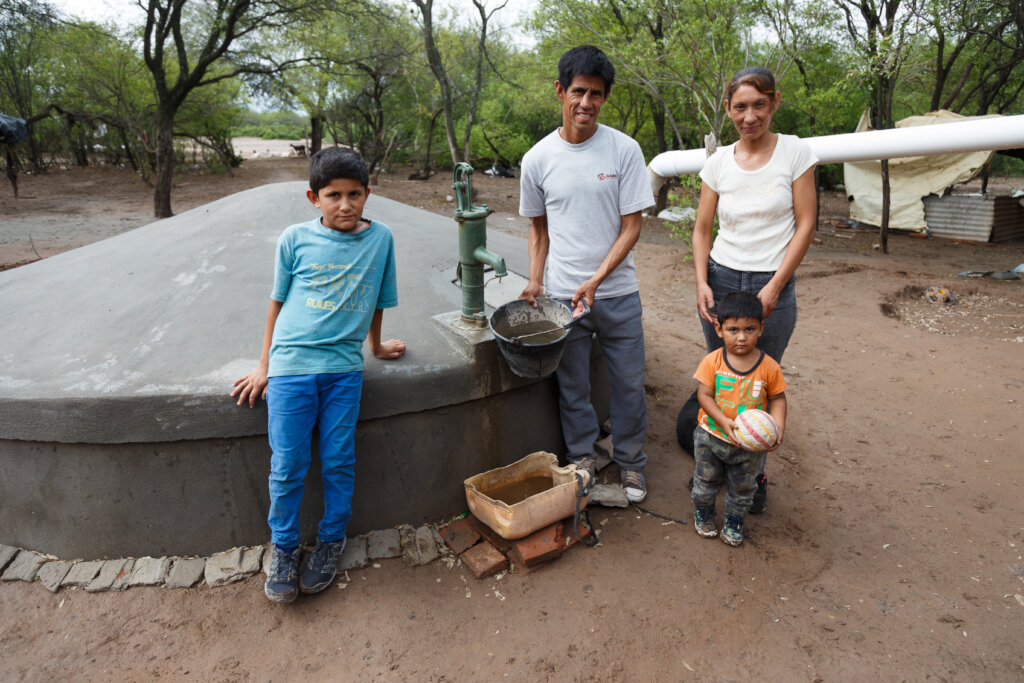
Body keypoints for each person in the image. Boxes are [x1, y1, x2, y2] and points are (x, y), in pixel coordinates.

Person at [231, 147, 406, 603]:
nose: (345, 205)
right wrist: (264, 364)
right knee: (288, 465)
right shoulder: (294, 239)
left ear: (368, 194)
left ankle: (331, 541)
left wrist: (375, 346)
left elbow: (379, 298)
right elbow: (276, 302)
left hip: (344, 371)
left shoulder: (381, 238)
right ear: (314, 198)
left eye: (354, 194)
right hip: (290, 369)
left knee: (337, 460)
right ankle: (285, 548)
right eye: (333, 196)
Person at [518, 45, 655, 503]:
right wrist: (536, 281)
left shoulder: (624, 150)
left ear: (605, 98)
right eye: (578, 91)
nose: (586, 103)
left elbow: (632, 226)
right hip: (562, 297)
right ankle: (582, 459)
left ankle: (632, 463)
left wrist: (598, 278)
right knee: (572, 385)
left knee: (630, 385)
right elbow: (539, 230)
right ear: (560, 91)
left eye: (596, 94)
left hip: (616, 293)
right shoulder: (537, 159)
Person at [685, 65, 817, 512]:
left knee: (759, 382)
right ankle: (710, 466)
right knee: (723, 378)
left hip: (770, 282)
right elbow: (702, 228)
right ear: (727, 109)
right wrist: (702, 281)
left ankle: (752, 475)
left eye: (759, 104)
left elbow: (806, 224)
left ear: (774, 102)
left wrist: (777, 285)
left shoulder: (795, 153)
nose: (750, 115)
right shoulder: (718, 161)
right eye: (740, 106)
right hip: (722, 280)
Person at [691, 291, 787, 546]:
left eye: (749, 329)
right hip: (711, 435)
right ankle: (704, 512)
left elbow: (778, 399)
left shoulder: (769, 367)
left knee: (743, 488)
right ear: (719, 329)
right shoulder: (713, 361)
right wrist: (722, 420)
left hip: (748, 446)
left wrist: (778, 428)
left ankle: (734, 520)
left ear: (761, 328)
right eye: (733, 329)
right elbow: (704, 395)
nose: (742, 337)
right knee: (705, 479)